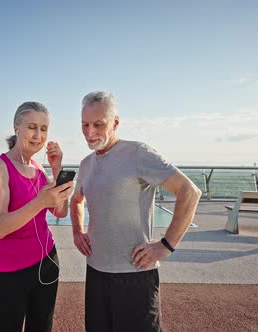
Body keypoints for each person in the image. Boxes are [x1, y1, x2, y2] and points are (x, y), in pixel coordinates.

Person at [70, 92, 202, 332]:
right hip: (96, 272)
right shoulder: (86, 164)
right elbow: (76, 200)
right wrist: (78, 231)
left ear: (115, 123)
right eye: (85, 125)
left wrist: (165, 245)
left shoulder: (138, 153)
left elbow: (189, 192)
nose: (90, 132)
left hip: (135, 274)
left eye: (98, 124)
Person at [0, 101, 73, 332]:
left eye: (44, 129)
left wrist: (57, 170)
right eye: (32, 127)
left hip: (47, 263)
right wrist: (40, 202)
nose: (38, 135)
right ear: (16, 127)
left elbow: (60, 212)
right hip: (8, 273)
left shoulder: (39, 168)